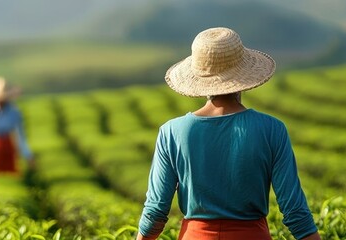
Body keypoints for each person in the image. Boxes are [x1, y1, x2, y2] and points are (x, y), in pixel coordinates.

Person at [136, 27, 321, 240]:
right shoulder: (272, 129)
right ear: (244, 75)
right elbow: (294, 210)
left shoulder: (171, 132)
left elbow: (156, 209)